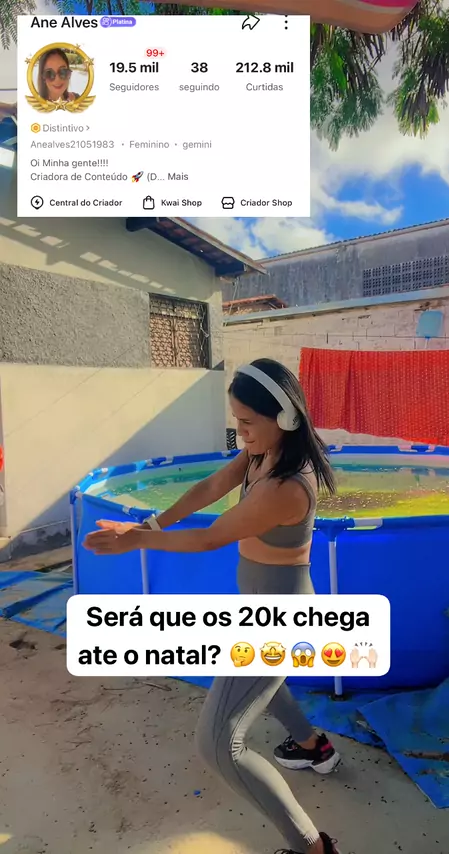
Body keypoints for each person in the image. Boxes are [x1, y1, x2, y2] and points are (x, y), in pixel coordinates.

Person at [84, 358, 342, 854]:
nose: (240, 433)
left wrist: (136, 541)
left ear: (286, 416)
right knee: (264, 684)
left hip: (280, 616)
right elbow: (209, 489)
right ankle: (314, 747)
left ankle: (313, 847)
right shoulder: (261, 454)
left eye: (247, 422)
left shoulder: (287, 486)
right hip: (261, 602)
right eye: (236, 421)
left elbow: (210, 538)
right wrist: (151, 525)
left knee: (219, 743)